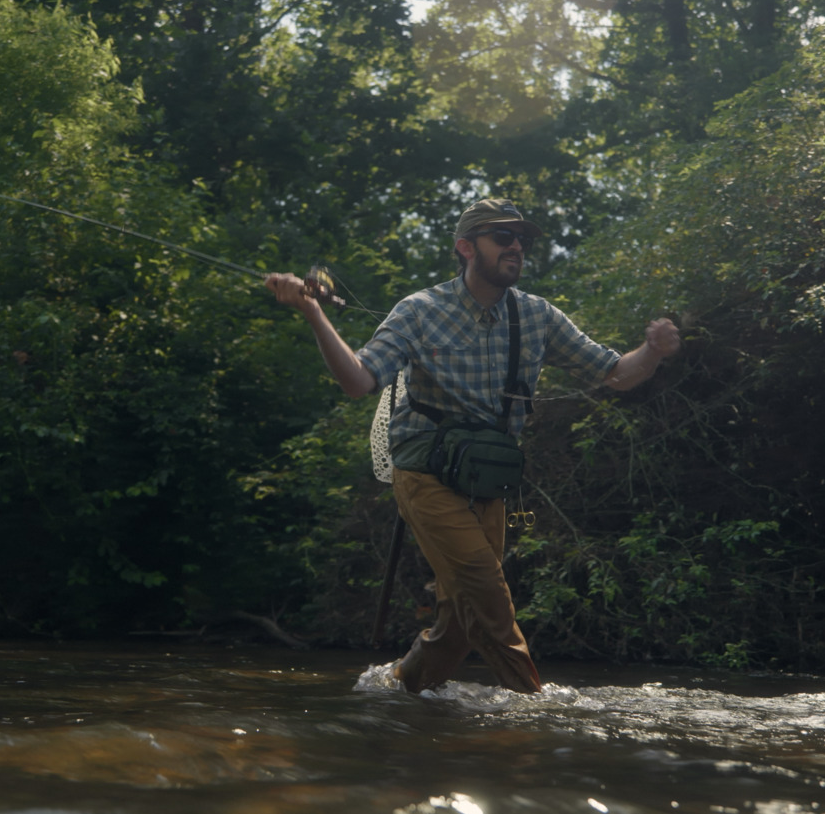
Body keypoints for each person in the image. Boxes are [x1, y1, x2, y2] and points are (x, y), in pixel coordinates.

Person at [266, 198, 680, 694]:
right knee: (487, 596)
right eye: (502, 237)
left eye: (521, 239)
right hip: (425, 473)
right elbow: (358, 380)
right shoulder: (419, 311)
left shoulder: (537, 316)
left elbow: (616, 373)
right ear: (466, 248)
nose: (516, 247)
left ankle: (402, 690)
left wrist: (653, 351)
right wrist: (312, 312)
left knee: (461, 620)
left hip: (488, 480)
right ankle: (533, 710)